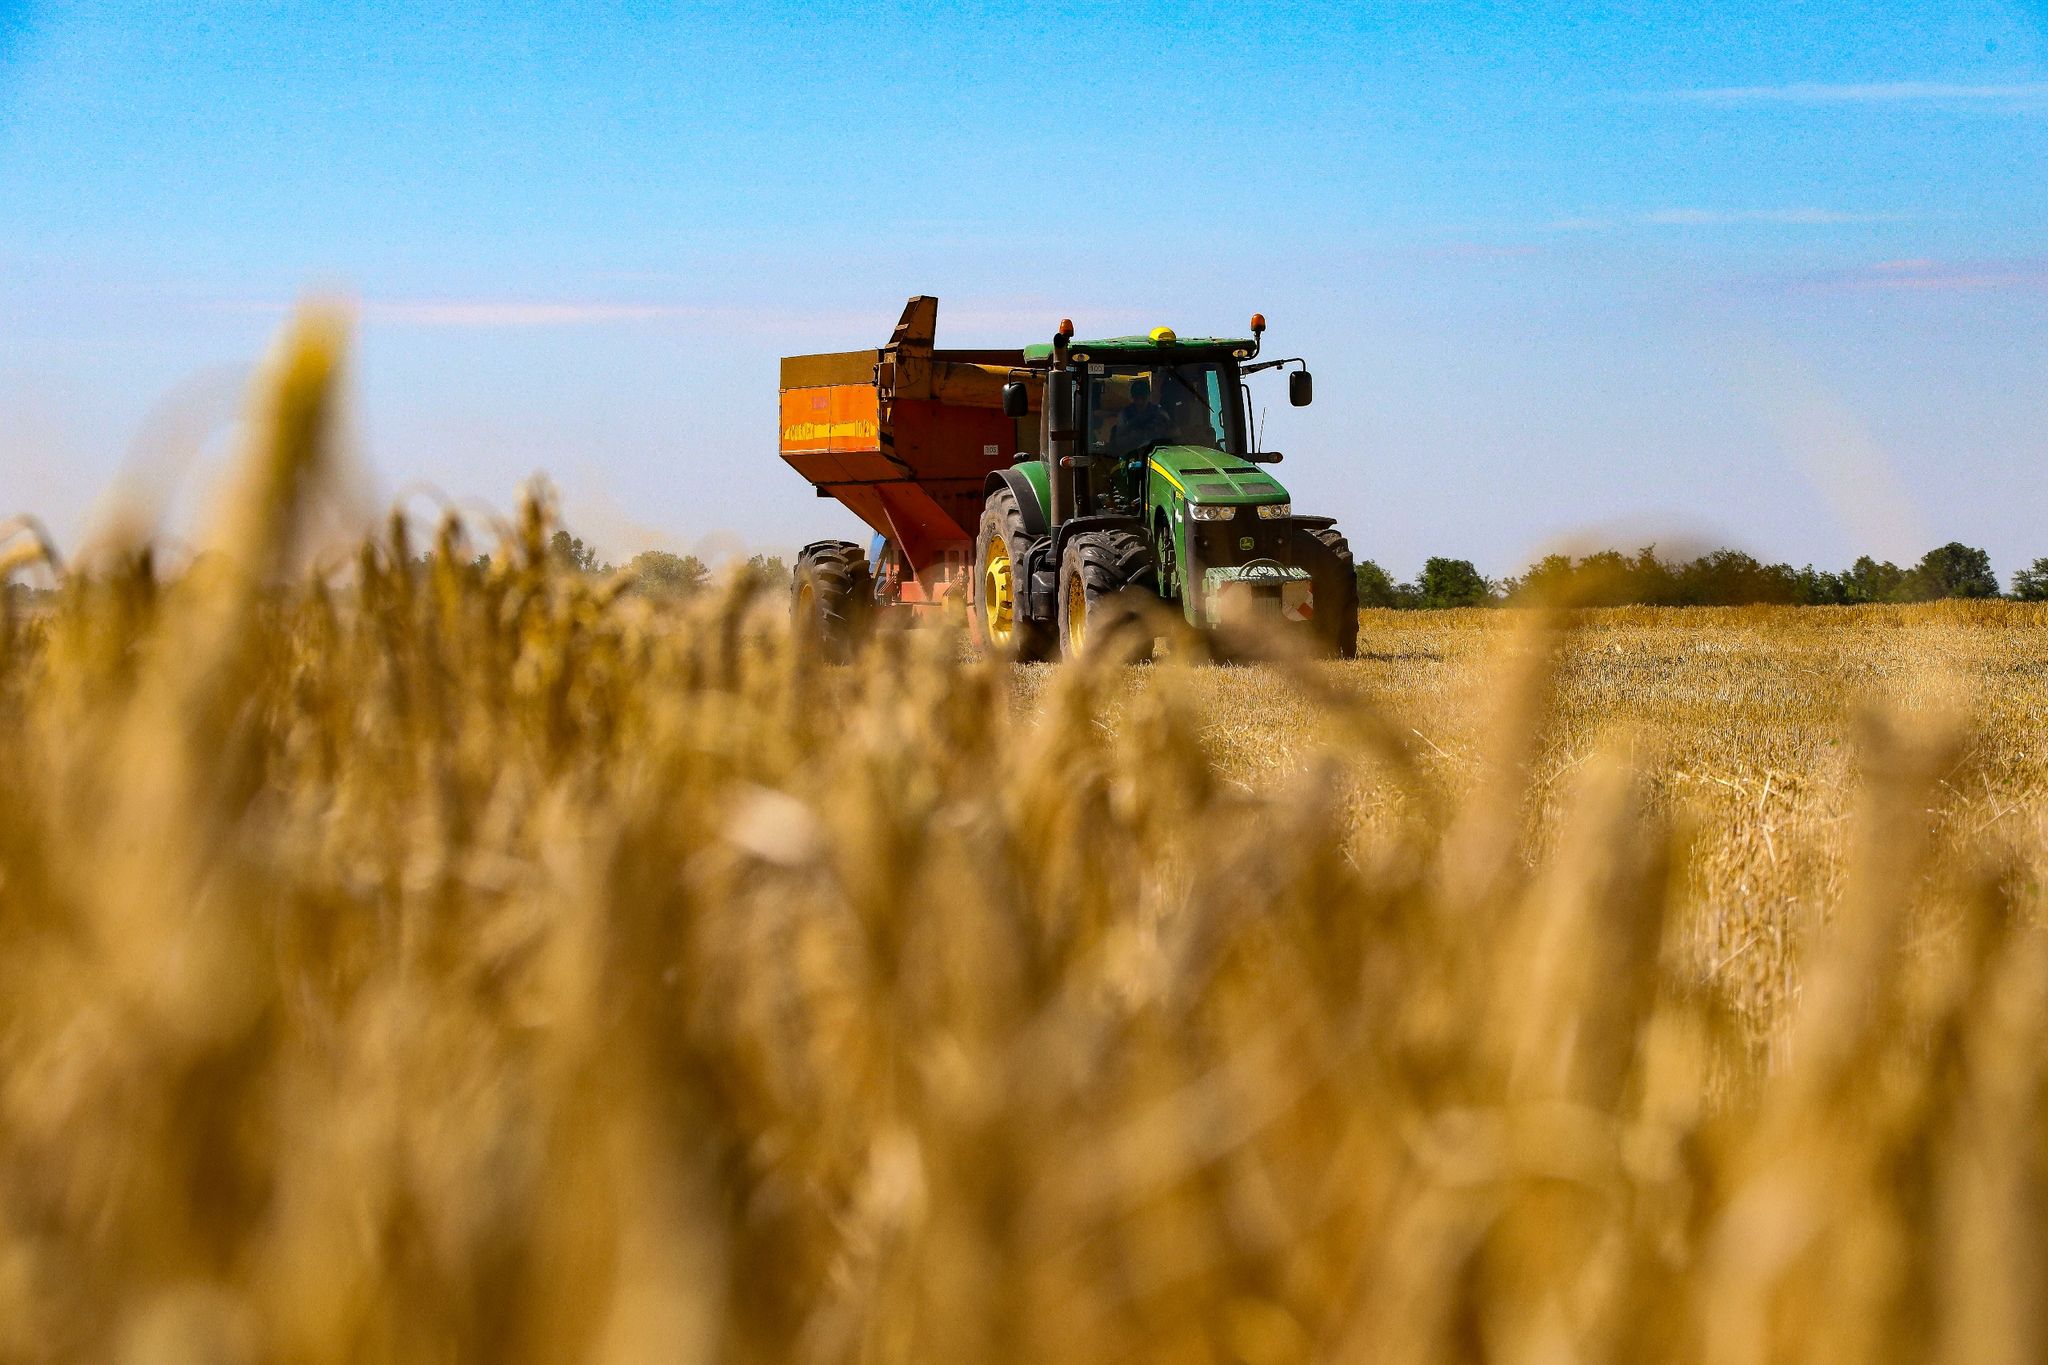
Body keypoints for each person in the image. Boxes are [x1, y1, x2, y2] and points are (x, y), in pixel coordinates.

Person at [1109, 375, 1173, 456]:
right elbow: (1119, 442)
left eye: (1143, 398)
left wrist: (1159, 430)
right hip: (1132, 455)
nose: (1140, 402)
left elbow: (1174, 433)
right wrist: (1134, 435)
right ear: (1132, 397)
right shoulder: (1124, 415)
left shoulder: (1159, 412)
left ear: (1148, 396)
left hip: (1157, 455)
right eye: (1137, 398)